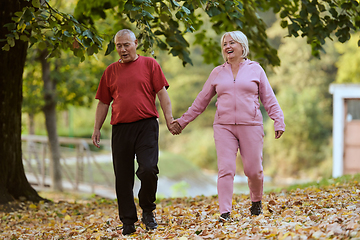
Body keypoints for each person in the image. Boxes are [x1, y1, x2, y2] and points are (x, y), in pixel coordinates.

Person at [172, 31, 285, 221]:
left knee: (253, 170)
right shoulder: (217, 72)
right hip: (224, 127)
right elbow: (201, 101)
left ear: (242, 46)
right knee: (226, 169)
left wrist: (278, 119)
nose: (227, 47)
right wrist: (182, 121)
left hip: (251, 125)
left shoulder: (255, 70)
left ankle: (256, 202)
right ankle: (225, 213)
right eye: (224, 44)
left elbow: (269, 98)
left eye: (231, 42)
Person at [91, 29, 179, 235]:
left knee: (148, 169)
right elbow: (103, 103)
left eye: (126, 45)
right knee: (123, 177)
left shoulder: (150, 64)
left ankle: (148, 210)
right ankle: (128, 221)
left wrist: (169, 119)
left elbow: (163, 94)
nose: (122, 49)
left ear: (136, 43)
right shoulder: (110, 71)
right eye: (118, 46)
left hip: (147, 125)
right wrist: (96, 128)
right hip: (121, 128)